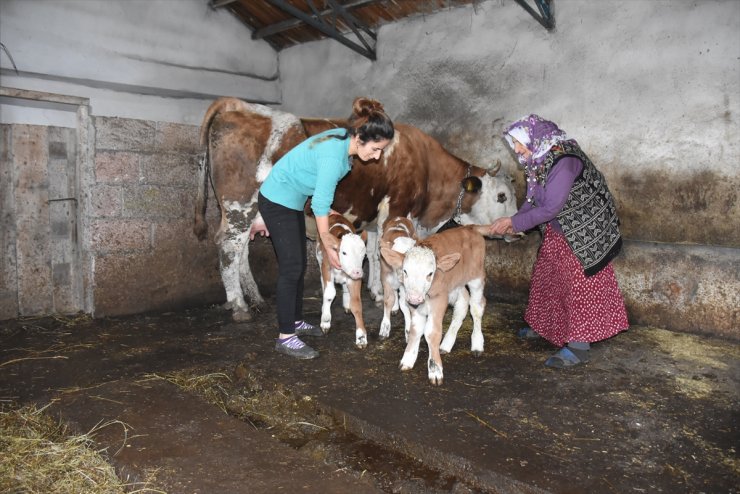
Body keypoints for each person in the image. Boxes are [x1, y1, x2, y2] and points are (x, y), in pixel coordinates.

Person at [258, 97, 395, 359]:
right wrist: (326, 238)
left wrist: (325, 209)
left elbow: (317, 184)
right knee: (292, 267)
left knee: (297, 265)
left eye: (381, 151)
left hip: (292, 200)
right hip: (278, 200)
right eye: (376, 148)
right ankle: (286, 337)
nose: (377, 156)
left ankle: (295, 321)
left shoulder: (343, 141)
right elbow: (320, 200)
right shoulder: (336, 156)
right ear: (360, 137)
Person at [489, 114, 628, 368]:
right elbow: (533, 199)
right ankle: (545, 327)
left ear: (535, 138)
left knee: (579, 283)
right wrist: (515, 220)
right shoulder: (539, 159)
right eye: (514, 145)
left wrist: (515, 224)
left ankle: (579, 346)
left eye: (519, 143)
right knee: (549, 275)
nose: (518, 150)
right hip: (561, 227)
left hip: (585, 230)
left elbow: (551, 207)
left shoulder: (564, 161)